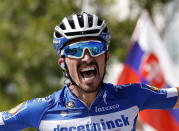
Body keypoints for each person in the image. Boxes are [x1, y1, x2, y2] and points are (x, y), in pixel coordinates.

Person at [0, 12, 179, 131]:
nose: (86, 58)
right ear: (63, 64)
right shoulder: (42, 109)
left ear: (106, 58)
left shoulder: (132, 95)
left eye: (94, 49)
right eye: (75, 51)